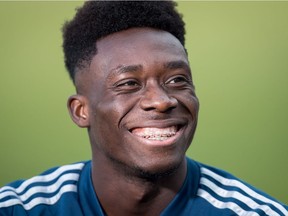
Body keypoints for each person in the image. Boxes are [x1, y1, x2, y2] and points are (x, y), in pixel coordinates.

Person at [0, 1, 287, 215]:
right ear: (80, 111)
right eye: (128, 84)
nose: (162, 101)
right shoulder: (17, 208)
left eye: (177, 80)